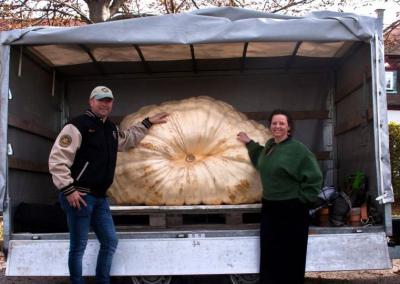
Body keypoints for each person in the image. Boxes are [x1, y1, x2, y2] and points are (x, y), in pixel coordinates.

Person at [48, 86, 168, 284]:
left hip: (100, 198)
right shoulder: (77, 126)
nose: (105, 104)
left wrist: (146, 123)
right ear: (91, 101)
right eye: (101, 100)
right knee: (78, 247)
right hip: (79, 196)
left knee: (110, 241)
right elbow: (57, 160)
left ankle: (102, 281)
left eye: (108, 100)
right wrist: (68, 189)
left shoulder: (110, 129)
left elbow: (127, 139)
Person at [237, 109, 322, 284]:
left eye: (282, 123)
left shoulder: (298, 150)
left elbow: (315, 177)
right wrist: (249, 143)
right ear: (270, 126)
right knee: (270, 251)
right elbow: (261, 159)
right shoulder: (270, 146)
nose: (277, 126)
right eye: (274, 123)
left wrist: (303, 200)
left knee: (291, 254)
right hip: (270, 207)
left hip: (293, 208)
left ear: (289, 127)